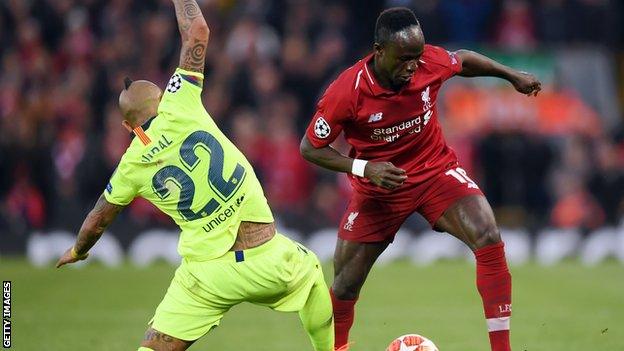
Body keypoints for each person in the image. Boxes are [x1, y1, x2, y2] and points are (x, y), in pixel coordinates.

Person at [56, 1, 334, 350]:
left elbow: (98, 219)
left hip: (204, 276)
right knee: (310, 275)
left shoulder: (130, 165)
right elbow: (197, 31)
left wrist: (79, 250)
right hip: (264, 256)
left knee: (153, 348)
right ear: (162, 97)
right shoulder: (179, 101)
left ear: (128, 126)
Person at [300, 7, 541, 351]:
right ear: (379, 52)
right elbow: (310, 147)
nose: (413, 66)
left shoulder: (427, 62)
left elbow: (464, 61)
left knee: (487, 233)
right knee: (344, 285)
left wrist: (510, 74)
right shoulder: (347, 91)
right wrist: (365, 168)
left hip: (434, 172)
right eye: (404, 59)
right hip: (379, 191)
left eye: (416, 56)